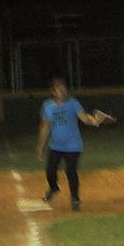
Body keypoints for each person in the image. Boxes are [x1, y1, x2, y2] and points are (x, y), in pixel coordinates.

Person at [35, 76, 111, 212]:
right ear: (53, 92)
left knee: (71, 172)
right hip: (55, 146)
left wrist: (95, 120)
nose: (63, 91)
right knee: (50, 171)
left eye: (64, 89)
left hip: (73, 146)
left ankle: (75, 199)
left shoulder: (73, 103)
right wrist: (40, 147)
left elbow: (84, 118)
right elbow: (45, 127)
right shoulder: (48, 106)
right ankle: (53, 188)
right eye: (59, 89)